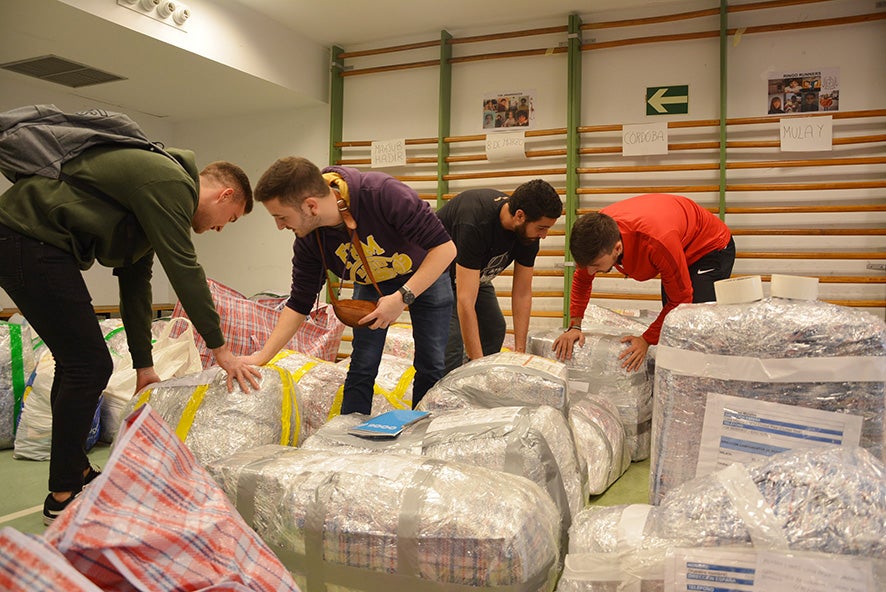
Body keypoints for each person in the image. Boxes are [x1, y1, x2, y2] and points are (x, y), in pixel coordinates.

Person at [0, 145, 262, 525]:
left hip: (32, 243)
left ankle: (74, 472)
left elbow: (136, 284)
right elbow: (185, 268)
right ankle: (62, 496)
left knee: (80, 364)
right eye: (230, 218)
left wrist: (144, 365)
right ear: (225, 195)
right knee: (88, 365)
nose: (221, 227)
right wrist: (221, 350)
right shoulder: (170, 183)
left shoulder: (155, 201)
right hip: (25, 239)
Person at [242, 156, 456, 414]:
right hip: (371, 282)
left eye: (281, 217)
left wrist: (401, 297)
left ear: (311, 206)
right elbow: (299, 303)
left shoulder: (381, 193)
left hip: (425, 275)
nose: (279, 226)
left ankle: (424, 428)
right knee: (362, 365)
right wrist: (263, 355)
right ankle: (350, 436)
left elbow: (446, 249)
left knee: (431, 362)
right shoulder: (309, 240)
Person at [553, 193, 735, 371]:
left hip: (709, 247)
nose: (591, 271)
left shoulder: (657, 243)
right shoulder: (596, 237)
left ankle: (710, 381)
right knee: (674, 327)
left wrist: (646, 339)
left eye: (596, 265)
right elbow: (582, 280)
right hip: (676, 241)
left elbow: (680, 301)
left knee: (691, 323)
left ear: (617, 248)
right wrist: (575, 326)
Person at [436, 179, 562, 373]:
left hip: (476, 277)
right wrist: (478, 365)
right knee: (451, 342)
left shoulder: (528, 235)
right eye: (541, 228)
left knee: (493, 328)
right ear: (520, 216)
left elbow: (522, 293)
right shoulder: (476, 221)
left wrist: (520, 351)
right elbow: (465, 300)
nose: (544, 235)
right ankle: (445, 396)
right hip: (438, 277)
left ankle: (474, 386)